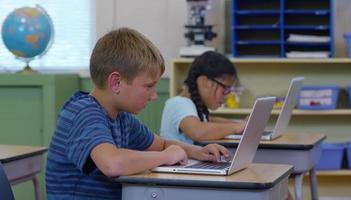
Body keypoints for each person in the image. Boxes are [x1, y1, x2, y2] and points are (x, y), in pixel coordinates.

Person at [45, 27, 230, 200]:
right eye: (149, 86)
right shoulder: (83, 112)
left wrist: (197, 152)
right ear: (116, 82)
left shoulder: (121, 117)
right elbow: (113, 164)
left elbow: (162, 143)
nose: (154, 95)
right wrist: (166, 157)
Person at [160, 51, 247, 144]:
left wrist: (240, 123)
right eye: (225, 89)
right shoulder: (179, 103)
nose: (227, 96)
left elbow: (211, 120)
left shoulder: (193, 108)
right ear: (205, 82)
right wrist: (236, 127)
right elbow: (198, 131)